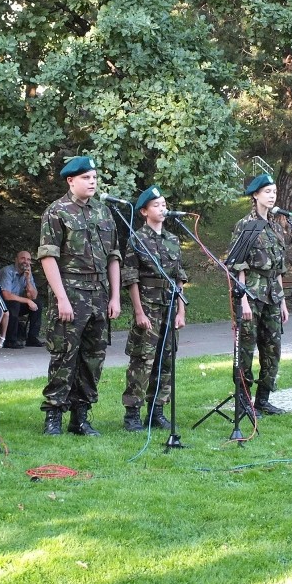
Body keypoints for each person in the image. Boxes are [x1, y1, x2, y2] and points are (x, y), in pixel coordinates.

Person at [37, 156, 121, 436]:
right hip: (71, 291)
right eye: (86, 177)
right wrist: (61, 298)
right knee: (64, 355)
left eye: (94, 177)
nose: (92, 182)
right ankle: (54, 415)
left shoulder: (103, 212)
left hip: (99, 294)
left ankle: (81, 417)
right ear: (71, 181)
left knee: (93, 357)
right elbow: (48, 257)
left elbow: (113, 257)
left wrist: (115, 297)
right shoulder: (57, 211)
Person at [121, 185, 188, 431]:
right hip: (148, 305)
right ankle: (132, 414)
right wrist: (138, 311)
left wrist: (181, 310)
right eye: (157, 205)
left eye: (164, 204)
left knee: (166, 359)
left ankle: (157, 410)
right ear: (144, 212)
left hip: (169, 305)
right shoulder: (137, 239)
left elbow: (179, 276)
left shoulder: (173, 240)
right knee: (142, 360)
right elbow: (131, 277)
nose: (163, 209)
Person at [227, 173, 289, 416]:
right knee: (245, 349)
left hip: (273, 295)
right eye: (267, 192)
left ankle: (263, 399)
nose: (272, 196)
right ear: (255, 195)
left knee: (273, 348)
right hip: (251, 294)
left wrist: (282, 301)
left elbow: (279, 267)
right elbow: (237, 264)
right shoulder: (245, 225)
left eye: (274, 191)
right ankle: (243, 401)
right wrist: (241, 299)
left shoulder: (276, 226)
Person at [0, 251, 44, 348]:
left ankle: (32, 338)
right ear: (16, 259)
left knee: (38, 304)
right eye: (23, 258)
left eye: (28, 259)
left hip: (16, 305)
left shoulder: (27, 273)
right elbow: (6, 295)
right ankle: (10, 340)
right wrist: (27, 301)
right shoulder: (7, 271)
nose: (26, 261)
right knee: (14, 304)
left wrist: (28, 280)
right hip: (3, 305)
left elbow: (33, 296)